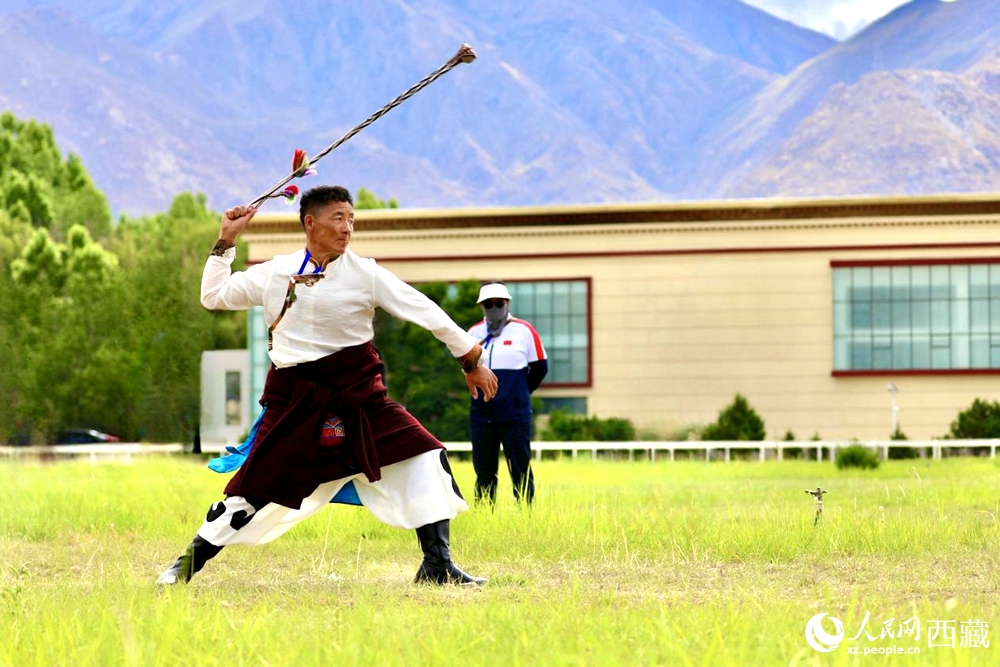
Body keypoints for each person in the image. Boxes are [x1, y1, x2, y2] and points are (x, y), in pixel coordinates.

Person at [156, 185, 497, 587]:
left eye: (351, 219)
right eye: (338, 218)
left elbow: (423, 310)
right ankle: (184, 567)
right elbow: (213, 296)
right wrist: (226, 239)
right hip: (294, 403)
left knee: (424, 456)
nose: (347, 228)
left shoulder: (365, 273)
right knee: (252, 489)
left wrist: (470, 359)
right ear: (310, 222)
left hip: (360, 399)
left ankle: (438, 567)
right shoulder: (275, 272)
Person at [467, 281, 547, 505]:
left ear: (507, 303)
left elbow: (540, 367)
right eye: (488, 304)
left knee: (520, 468)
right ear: (482, 306)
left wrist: (520, 392)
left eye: (498, 303)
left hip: (515, 415)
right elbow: (466, 370)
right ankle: (484, 516)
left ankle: (525, 515)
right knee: (484, 471)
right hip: (482, 415)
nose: (494, 307)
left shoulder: (524, 330)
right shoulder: (473, 333)